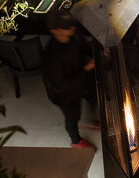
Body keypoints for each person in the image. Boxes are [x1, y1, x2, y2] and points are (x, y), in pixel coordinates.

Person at [42, 10, 98, 149]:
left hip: (80, 78)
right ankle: (75, 141)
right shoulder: (52, 57)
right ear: (55, 31)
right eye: (67, 28)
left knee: (93, 96)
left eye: (72, 25)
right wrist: (86, 69)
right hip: (64, 94)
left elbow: (85, 47)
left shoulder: (74, 34)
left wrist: (98, 53)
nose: (72, 29)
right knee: (72, 117)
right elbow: (63, 86)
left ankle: (93, 120)